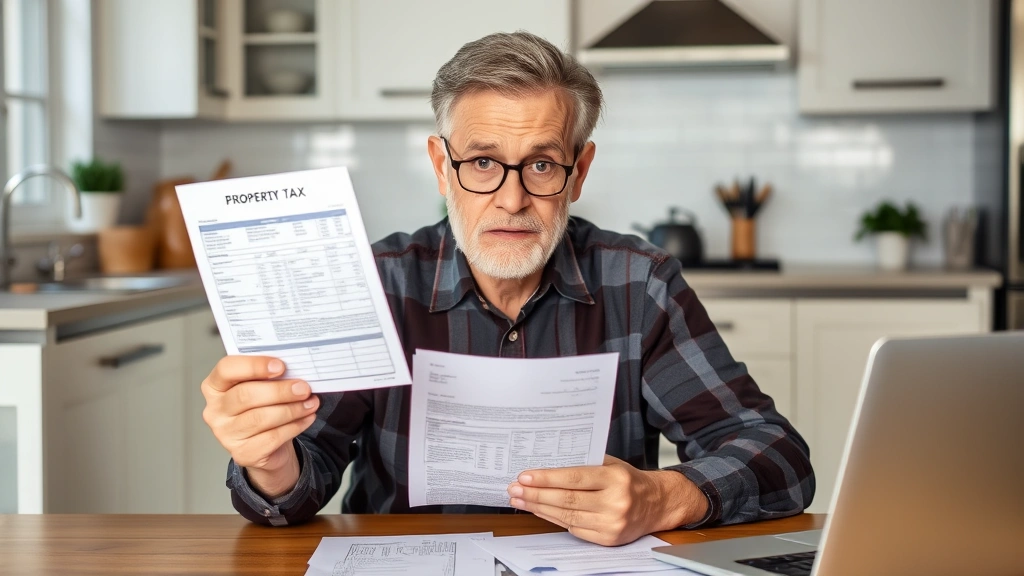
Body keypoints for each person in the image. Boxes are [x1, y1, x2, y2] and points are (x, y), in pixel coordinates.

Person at [201, 31, 814, 546]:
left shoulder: (638, 282)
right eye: (483, 162)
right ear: (443, 167)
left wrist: (667, 496)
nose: (513, 198)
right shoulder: (381, 281)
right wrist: (271, 462)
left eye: (542, 164)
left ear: (580, 172)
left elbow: (779, 457)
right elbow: (292, 493)